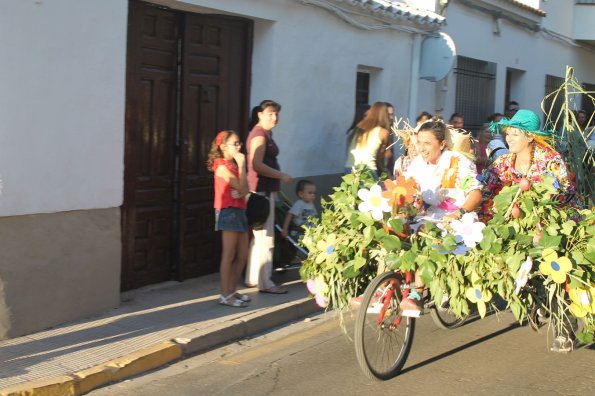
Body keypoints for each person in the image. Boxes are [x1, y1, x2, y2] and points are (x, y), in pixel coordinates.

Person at [483, 109, 578, 352]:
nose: (509, 139)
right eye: (508, 134)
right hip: (518, 222)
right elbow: (488, 188)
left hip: (553, 220)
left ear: (530, 137)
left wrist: (543, 204)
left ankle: (564, 328)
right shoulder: (503, 162)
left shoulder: (550, 159)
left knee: (553, 266)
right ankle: (535, 302)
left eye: (516, 134)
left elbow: (566, 191)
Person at [399, 120, 483, 316]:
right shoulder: (417, 164)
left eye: (427, 143)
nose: (421, 148)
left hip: (458, 218)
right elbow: (411, 192)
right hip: (429, 215)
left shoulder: (458, 162)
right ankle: (381, 289)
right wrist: (411, 204)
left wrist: (459, 212)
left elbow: (475, 195)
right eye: (419, 142)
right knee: (394, 230)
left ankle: (417, 294)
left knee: (429, 237)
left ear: (442, 144)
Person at [245, 100, 292, 294]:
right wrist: (280, 175)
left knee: (259, 238)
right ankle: (266, 283)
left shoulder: (265, 134)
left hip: (265, 191)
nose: (275, 118)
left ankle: (252, 279)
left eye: (277, 114)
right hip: (261, 192)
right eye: (271, 113)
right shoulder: (259, 135)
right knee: (265, 238)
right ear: (260, 114)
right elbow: (256, 164)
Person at [206, 130, 250, 307]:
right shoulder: (221, 165)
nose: (239, 147)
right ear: (223, 147)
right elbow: (241, 187)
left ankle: (232, 289)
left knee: (242, 255)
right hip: (228, 211)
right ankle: (224, 294)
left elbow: (244, 189)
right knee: (229, 255)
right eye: (235, 144)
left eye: (239, 143)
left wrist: (241, 183)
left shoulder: (233, 165)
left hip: (240, 210)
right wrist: (242, 167)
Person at [344, 101, 391, 179]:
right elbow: (380, 157)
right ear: (384, 115)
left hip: (349, 169)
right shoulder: (383, 132)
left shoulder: (356, 130)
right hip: (368, 170)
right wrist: (384, 171)